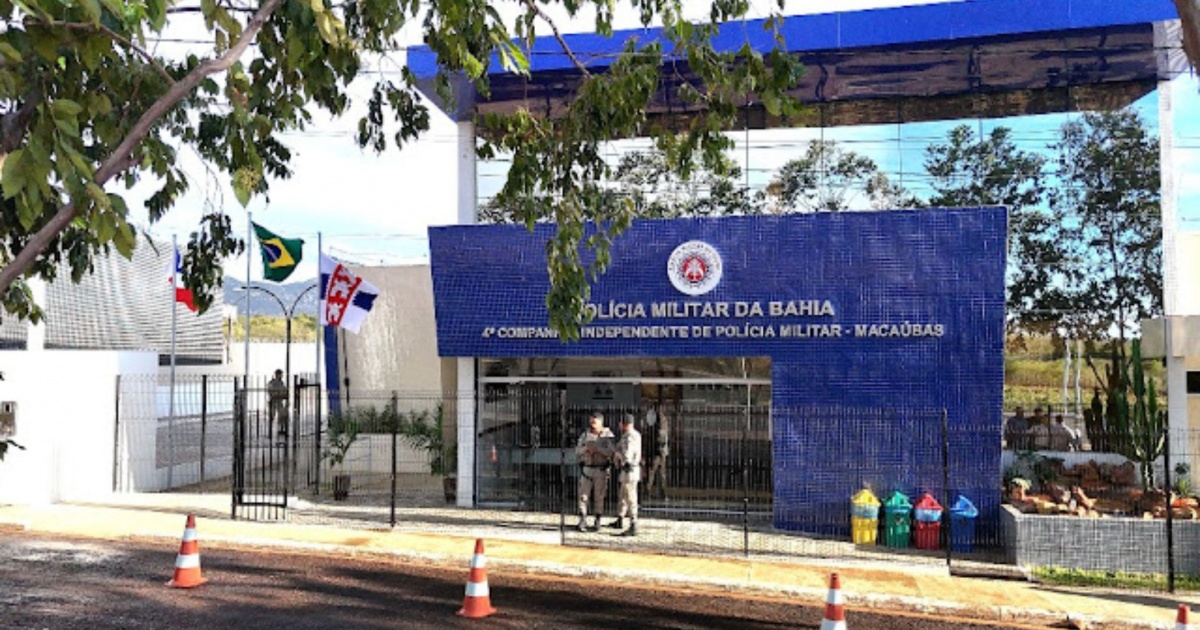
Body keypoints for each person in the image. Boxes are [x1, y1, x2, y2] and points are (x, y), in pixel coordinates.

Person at [574, 411, 614, 532]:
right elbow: (577, 451)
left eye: (594, 422)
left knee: (599, 496)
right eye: (591, 422)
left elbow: (612, 452)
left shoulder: (608, 435)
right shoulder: (585, 435)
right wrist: (586, 448)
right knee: (583, 495)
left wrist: (598, 449)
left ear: (601, 422)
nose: (592, 424)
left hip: (601, 469)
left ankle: (597, 519)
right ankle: (582, 519)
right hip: (587, 469)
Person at [606, 413, 643, 536]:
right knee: (622, 496)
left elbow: (627, 455)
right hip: (629, 470)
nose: (619, 425)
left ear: (625, 424)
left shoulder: (629, 437)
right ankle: (620, 519)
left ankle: (634, 524)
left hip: (629, 470)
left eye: (621, 423)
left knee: (630, 497)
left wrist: (616, 452)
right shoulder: (634, 434)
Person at [645, 408, 670, 499]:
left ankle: (653, 492)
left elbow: (661, 439)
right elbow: (661, 439)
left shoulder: (658, 426)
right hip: (659, 452)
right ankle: (661, 493)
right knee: (658, 473)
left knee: (655, 472)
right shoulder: (660, 426)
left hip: (659, 452)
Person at [267, 369, 288, 438]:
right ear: (277, 374)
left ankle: (281, 430)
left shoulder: (281, 383)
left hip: (279, 401)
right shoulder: (272, 382)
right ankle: (270, 432)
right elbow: (270, 391)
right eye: (280, 374)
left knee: (282, 415)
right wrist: (277, 394)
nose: (281, 376)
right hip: (273, 401)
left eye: (281, 374)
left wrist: (283, 395)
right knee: (272, 416)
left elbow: (285, 391)